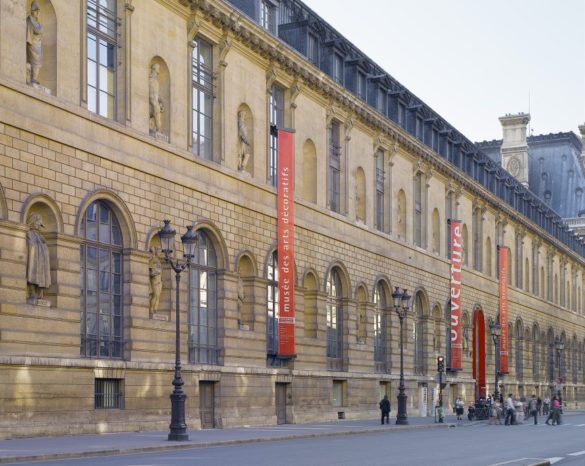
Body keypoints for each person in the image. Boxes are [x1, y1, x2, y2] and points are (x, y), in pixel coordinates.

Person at [26, 213, 51, 300]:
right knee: (33, 276)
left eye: (40, 224)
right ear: (33, 222)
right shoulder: (29, 233)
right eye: (38, 224)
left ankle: (40, 294)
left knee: (42, 278)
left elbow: (45, 248)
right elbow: (30, 245)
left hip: (42, 261)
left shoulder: (41, 236)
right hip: (34, 259)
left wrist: (43, 245)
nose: (39, 226)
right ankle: (32, 293)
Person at [26, 1, 43, 85]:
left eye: (38, 11)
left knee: (39, 62)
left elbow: (39, 30)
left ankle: (34, 78)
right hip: (32, 44)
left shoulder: (38, 23)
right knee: (34, 61)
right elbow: (31, 32)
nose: (37, 13)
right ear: (32, 11)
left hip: (38, 45)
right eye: (36, 10)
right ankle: (33, 79)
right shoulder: (29, 19)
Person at [149, 63, 165, 134]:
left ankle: (158, 130)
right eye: (158, 68)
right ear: (154, 69)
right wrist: (156, 104)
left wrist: (161, 102)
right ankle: (158, 130)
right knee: (156, 108)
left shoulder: (155, 80)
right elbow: (151, 94)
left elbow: (156, 94)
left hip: (155, 102)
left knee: (157, 108)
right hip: (152, 103)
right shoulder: (151, 80)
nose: (159, 70)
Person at [148, 247, 162, 313]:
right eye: (159, 252)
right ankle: (151, 309)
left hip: (159, 281)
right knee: (155, 294)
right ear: (156, 252)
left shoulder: (158, 261)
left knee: (158, 296)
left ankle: (155, 309)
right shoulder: (153, 259)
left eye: (160, 252)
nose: (160, 253)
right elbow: (151, 271)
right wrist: (157, 271)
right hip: (155, 280)